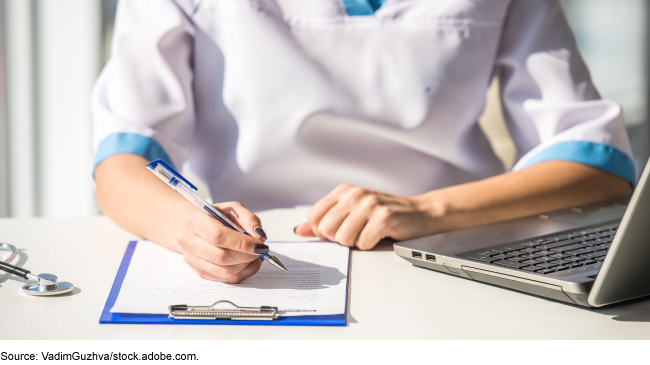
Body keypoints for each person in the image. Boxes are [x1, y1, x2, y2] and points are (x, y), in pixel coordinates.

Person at [92, 0, 634, 284]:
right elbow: (122, 163)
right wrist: (191, 228)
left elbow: (598, 159)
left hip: (455, 248)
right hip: (268, 253)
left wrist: (428, 209)